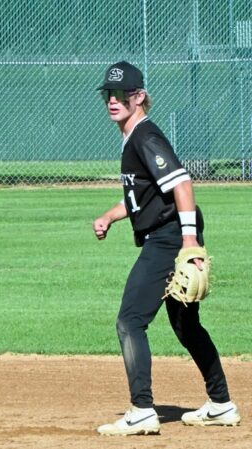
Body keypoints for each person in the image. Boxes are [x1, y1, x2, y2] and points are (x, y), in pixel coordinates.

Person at [92, 61, 241, 436]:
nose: (113, 100)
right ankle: (221, 403)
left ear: (139, 96)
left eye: (121, 94)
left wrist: (189, 242)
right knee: (185, 323)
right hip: (171, 233)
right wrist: (111, 216)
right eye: (108, 94)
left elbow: (183, 184)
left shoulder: (145, 135)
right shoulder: (133, 138)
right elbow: (144, 196)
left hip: (170, 238)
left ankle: (142, 409)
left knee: (130, 321)